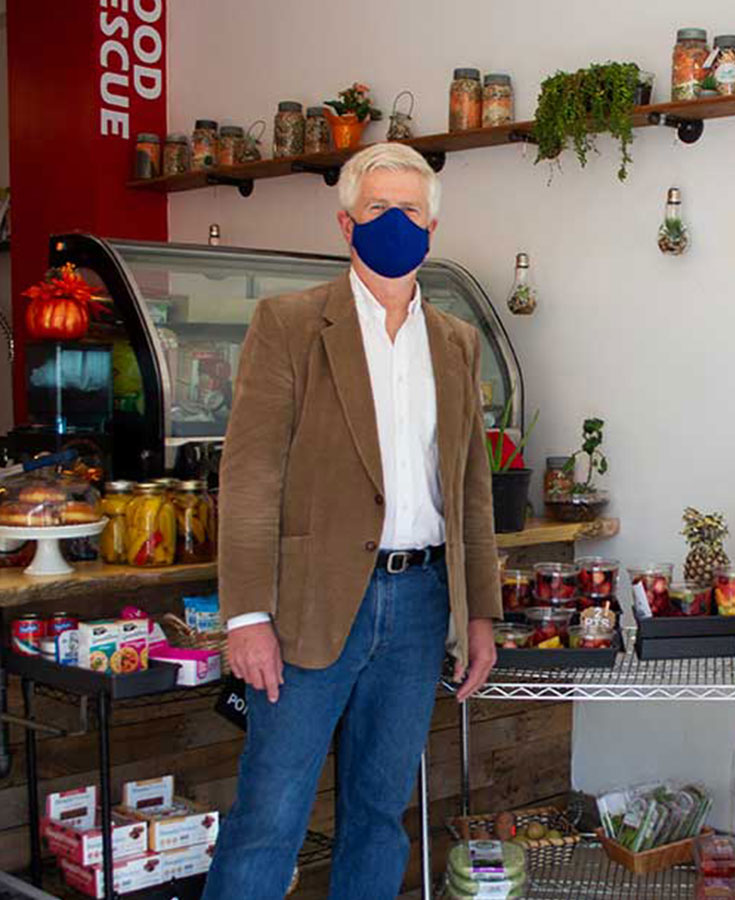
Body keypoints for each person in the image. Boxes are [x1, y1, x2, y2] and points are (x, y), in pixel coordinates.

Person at [203, 142, 502, 900]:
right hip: (310, 606)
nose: (395, 221)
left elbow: (470, 488)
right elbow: (250, 477)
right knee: (270, 814)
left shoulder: (457, 342)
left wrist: (479, 616)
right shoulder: (290, 324)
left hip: (420, 602)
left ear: (431, 228)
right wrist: (247, 615)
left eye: (410, 210)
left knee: (378, 814)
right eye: (378, 208)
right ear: (346, 224)